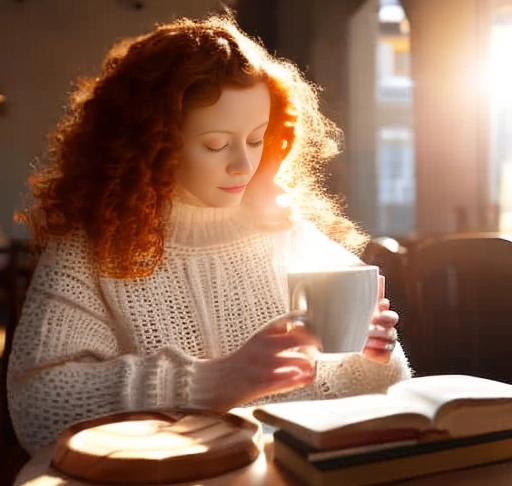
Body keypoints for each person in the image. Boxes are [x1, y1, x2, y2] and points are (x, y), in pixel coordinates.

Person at [7, 12, 411, 455]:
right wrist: (211, 381)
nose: (243, 164)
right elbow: (40, 407)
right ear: (153, 144)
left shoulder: (284, 227)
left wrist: (374, 359)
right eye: (216, 145)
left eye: (256, 139)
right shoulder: (91, 248)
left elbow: (369, 399)